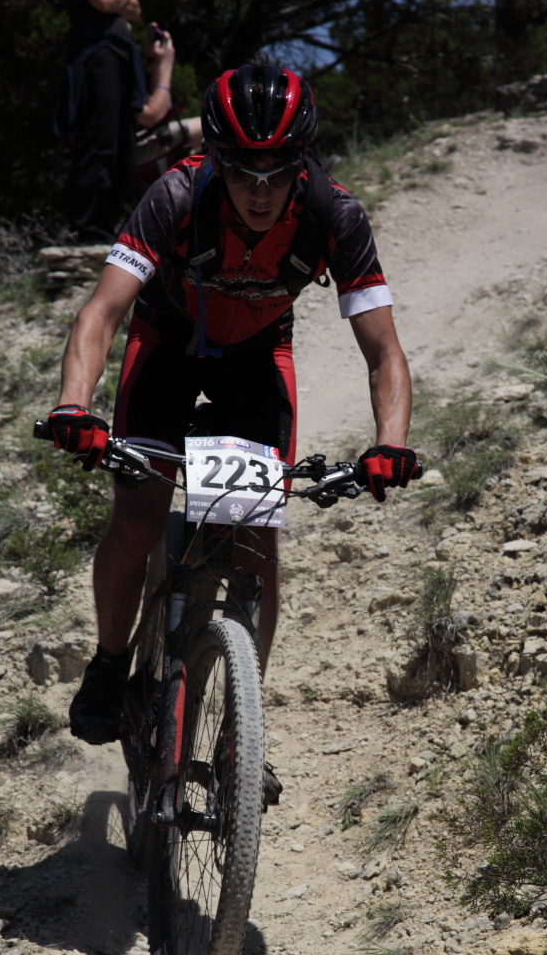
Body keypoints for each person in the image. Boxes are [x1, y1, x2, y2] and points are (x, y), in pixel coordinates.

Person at [42, 60, 418, 773]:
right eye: (243, 171)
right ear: (215, 157)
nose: (260, 190)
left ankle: (240, 732)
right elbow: (103, 311)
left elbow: (383, 351)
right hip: (167, 346)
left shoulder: (335, 214)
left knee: (255, 548)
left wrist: (389, 443)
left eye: (278, 172)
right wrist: (74, 405)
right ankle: (111, 662)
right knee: (139, 518)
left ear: (302, 163)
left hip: (256, 361)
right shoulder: (175, 194)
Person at [53, 0, 176, 241]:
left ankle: (110, 227)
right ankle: (90, 230)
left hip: (122, 54)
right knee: (99, 136)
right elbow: (100, 1)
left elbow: (134, 8)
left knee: (123, 143)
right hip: (94, 53)